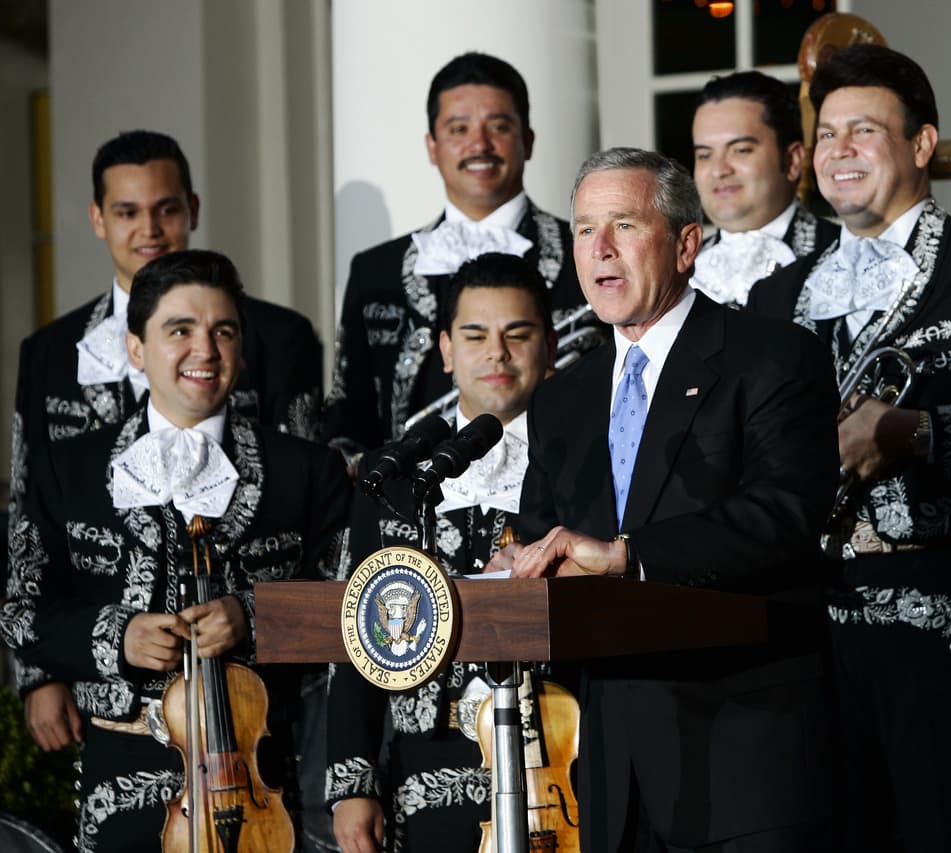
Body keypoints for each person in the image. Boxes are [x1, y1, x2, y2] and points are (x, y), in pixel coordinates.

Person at [746, 44, 951, 851]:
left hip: (949, 623)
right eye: (827, 135)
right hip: (805, 630)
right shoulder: (776, 295)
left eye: (863, 130)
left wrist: (920, 433)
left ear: (923, 145)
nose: (838, 151)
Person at [510, 147, 838, 852]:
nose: (599, 248)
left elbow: (784, 515)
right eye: (583, 228)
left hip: (741, 759)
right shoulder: (560, 400)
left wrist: (627, 555)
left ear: (687, 243)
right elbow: (544, 543)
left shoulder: (772, 358)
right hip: (608, 779)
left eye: (624, 225)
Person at [0, 249, 350, 853]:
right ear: (136, 348)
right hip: (118, 784)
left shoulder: (308, 470)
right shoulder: (68, 468)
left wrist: (253, 617)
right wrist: (116, 636)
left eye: (223, 331)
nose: (205, 350)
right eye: (179, 330)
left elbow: (351, 611)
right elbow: (19, 610)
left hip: (257, 788)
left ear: (243, 346)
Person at [8, 129, 323, 761]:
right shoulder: (49, 352)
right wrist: (39, 676)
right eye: (127, 211)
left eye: (167, 208)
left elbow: (307, 503)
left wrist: (258, 614)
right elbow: (27, 525)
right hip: (112, 694)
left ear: (193, 210)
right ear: (99, 219)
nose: (149, 228)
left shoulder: (276, 336)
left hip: (252, 694)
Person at [325, 253, 559, 853]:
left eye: (518, 334)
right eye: (476, 335)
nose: (497, 354)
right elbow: (350, 632)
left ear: (550, 345)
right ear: (446, 349)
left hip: (559, 754)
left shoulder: (586, 464)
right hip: (423, 764)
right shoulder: (393, 475)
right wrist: (352, 784)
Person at [324, 52, 587, 461]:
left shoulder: (587, 253)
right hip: (411, 507)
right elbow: (348, 411)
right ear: (432, 146)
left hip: (556, 499)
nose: (478, 145)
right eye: (458, 129)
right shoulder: (375, 271)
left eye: (498, 127)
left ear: (528, 140)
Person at [689, 70, 839, 306]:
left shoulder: (845, 254)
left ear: (792, 160)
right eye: (705, 155)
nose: (719, 170)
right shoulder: (676, 271)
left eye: (741, 150)